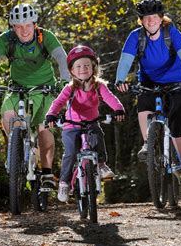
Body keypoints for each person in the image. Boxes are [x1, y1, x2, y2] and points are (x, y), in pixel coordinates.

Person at [0, 3, 70, 191]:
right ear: (13, 27)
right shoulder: (7, 39)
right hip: (17, 88)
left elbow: (60, 57)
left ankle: (47, 172)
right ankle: (16, 150)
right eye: (19, 26)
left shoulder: (45, 37)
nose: (24, 30)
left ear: (34, 24)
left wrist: (64, 80)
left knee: (44, 128)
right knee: (8, 114)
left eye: (27, 25)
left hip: (45, 88)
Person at [115, 0, 181, 183]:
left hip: (177, 80)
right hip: (149, 81)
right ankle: (148, 144)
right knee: (144, 102)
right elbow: (126, 60)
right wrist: (120, 79)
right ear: (141, 21)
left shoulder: (171, 33)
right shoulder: (136, 36)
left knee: (177, 119)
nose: (150, 21)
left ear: (161, 18)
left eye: (154, 16)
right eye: (146, 18)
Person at [45, 45, 125, 203]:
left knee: (98, 138)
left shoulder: (99, 86)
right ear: (72, 70)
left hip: (91, 123)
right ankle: (64, 183)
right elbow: (58, 102)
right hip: (71, 125)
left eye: (87, 65)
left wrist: (118, 109)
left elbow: (110, 98)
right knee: (70, 152)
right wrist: (51, 115)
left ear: (94, 67)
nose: (83, 69)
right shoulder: (70, 88)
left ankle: (101, 165)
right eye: (79, 66)